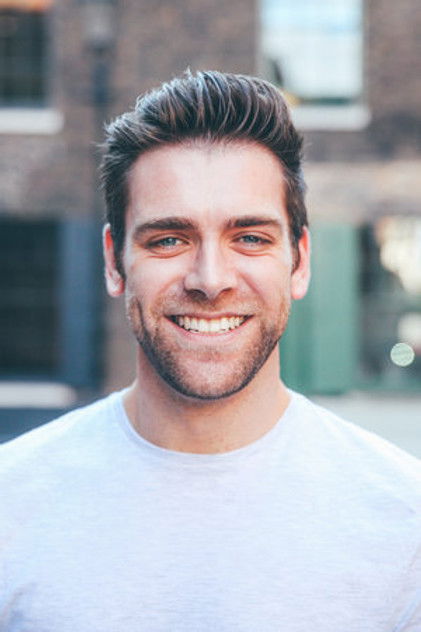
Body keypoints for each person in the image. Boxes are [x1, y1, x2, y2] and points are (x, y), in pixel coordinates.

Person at [0, 70, 420, 632]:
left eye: (250, 238)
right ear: (113, 262)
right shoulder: (12, 504)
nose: (211, 279)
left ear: (299, 261)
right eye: (169, 239)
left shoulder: (406, 521)